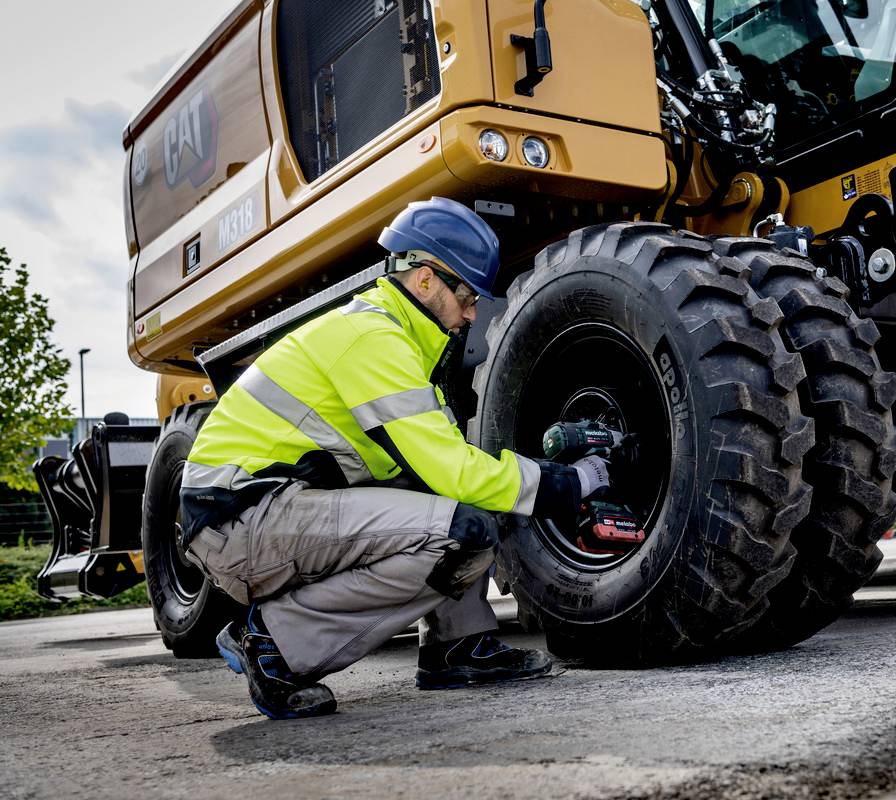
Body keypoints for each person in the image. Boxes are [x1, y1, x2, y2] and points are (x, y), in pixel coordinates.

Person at [179, 197, 610, 719]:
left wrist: (524, 483)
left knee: (458, 502)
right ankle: (270, 643)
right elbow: (454, 471)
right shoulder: (372, 338)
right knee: (459, 530)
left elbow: (450, 463)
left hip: (268, 508)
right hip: (242, 520)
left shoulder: (395, 341)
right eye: (468, 296)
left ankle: (457, 646)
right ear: (426, 281)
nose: (472, 314)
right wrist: (566, 484)